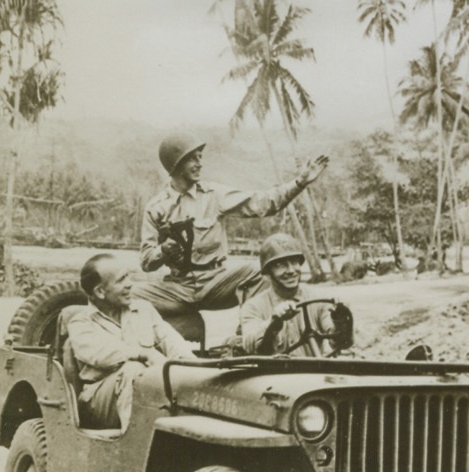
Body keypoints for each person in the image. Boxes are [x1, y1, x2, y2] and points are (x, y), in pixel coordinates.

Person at [136, 131, 328, 317]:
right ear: (176, 165)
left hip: (216, 284)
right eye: (192, 159)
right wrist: (163, 250)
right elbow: (146, 261)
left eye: (200, 157)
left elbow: (263, 203)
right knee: (128, 294)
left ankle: (250, 333)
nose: (199, 164)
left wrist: (299, 183)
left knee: (258, 273)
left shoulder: (214, 195)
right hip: (177, 289)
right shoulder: (156, 208)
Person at [68, 253, 195, 431]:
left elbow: (171, 341)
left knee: (186, 375)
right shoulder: (80, 323)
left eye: (128, 276)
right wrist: (144, 353)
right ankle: (135, 447)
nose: (130, 284)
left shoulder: (143, 310)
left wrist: (194, 367)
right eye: (121, 280)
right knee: (134, 370)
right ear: (100, 292)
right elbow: (101, 354)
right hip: (99, 403)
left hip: (145, 390)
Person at [240, 233, 336, 356]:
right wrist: (274, 322)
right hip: (272, 373)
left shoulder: (317, 300)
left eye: (294, 262)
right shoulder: (253, 307)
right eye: (280, 265)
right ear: (268, 273)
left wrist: (340, 323)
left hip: (312, 373)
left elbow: (337, 339)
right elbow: (250, 343)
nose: (291, 271)